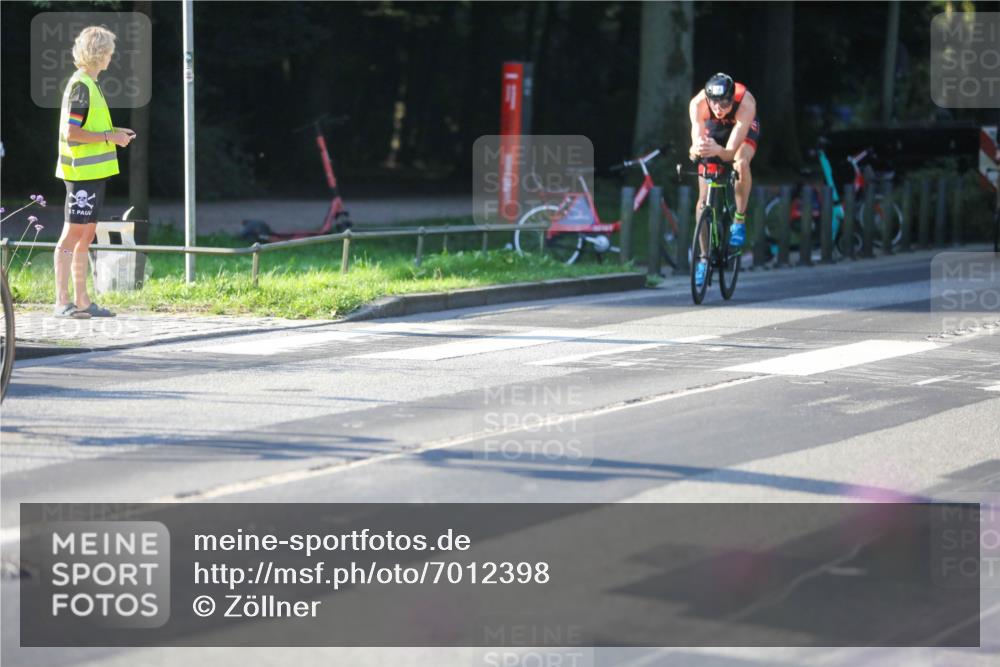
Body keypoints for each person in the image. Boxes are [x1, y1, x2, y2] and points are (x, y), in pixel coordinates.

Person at [53, 25, 134, 318]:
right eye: (109, 52)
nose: (111, 57)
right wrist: (110, 137)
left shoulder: (89, 84)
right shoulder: (81, 87)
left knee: (85, 237)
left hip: (92, 175)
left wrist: (114, 131)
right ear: (99, 53)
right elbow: (72, 133)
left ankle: (83, 301)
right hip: (81, 176)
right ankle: (62, 302)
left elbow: (88, 128)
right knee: (72, 236)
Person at [688, 73, 760, 287]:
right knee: (702, 202)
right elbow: (695, 148)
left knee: (740, 163)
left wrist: (720, 151)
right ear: (707, 99)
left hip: (741, 132)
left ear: (732, 98)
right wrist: (695, 150)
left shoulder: (746, 103)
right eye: (715, 102)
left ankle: (739, 218)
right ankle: (703, 258)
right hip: (715, 130)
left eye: (725, 102)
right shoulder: (698, 104)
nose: (719, 107)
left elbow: (729, 152)